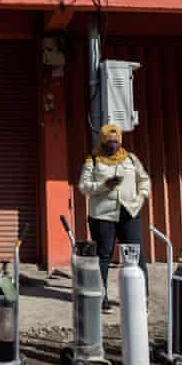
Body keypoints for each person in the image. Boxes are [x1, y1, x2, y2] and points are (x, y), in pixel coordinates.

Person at [78, 123, 151, 314]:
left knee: (136, 255)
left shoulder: (131, 159)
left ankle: (141, 297)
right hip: (102, 215)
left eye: (116, 141)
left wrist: (141, 197)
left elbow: (144, 180)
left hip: (129, 212)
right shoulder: (92, 160)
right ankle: (101, 296)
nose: (113, 145)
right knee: (103, 256)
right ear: (102, 141)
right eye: (109, 142)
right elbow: (83, 186)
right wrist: (104, 185)